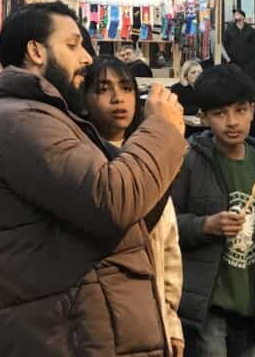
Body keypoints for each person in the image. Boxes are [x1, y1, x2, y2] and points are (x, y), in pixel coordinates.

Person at [0, 2, 188, 356]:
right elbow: (112, 200)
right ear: (36, 51)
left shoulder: (43, 115)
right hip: (71, 328)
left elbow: (129, 216)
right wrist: (161, 129)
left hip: (82, 321)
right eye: (72, 45)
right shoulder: (23, 120)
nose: (86, 57)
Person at [171, 64, 255, 357]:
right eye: (220, 113)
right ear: (204, 117)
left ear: (252, 110)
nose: (232, 122)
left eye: (240, 110)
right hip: (206, 306)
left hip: (249, 306)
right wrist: (205, 225)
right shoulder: (189, 160)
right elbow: (164, 228)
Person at [82, 57, 185, 357]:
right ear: (85, 100)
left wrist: (171, 322)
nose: (118, 98)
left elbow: (168, 246)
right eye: (104, 89)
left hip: (151, 318)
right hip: (105, 318)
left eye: (126, 88)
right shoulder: (83, 159)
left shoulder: (152, 158)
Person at [223, 10, 255, 76]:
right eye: (235, 15)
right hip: (234, 62)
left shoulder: (251, 30)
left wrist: (252, 59)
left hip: (248, 63)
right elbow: (225, 44)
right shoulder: (229, 30)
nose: (235, 16)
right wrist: (229, 57)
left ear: (243, 17)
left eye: (237, 14)